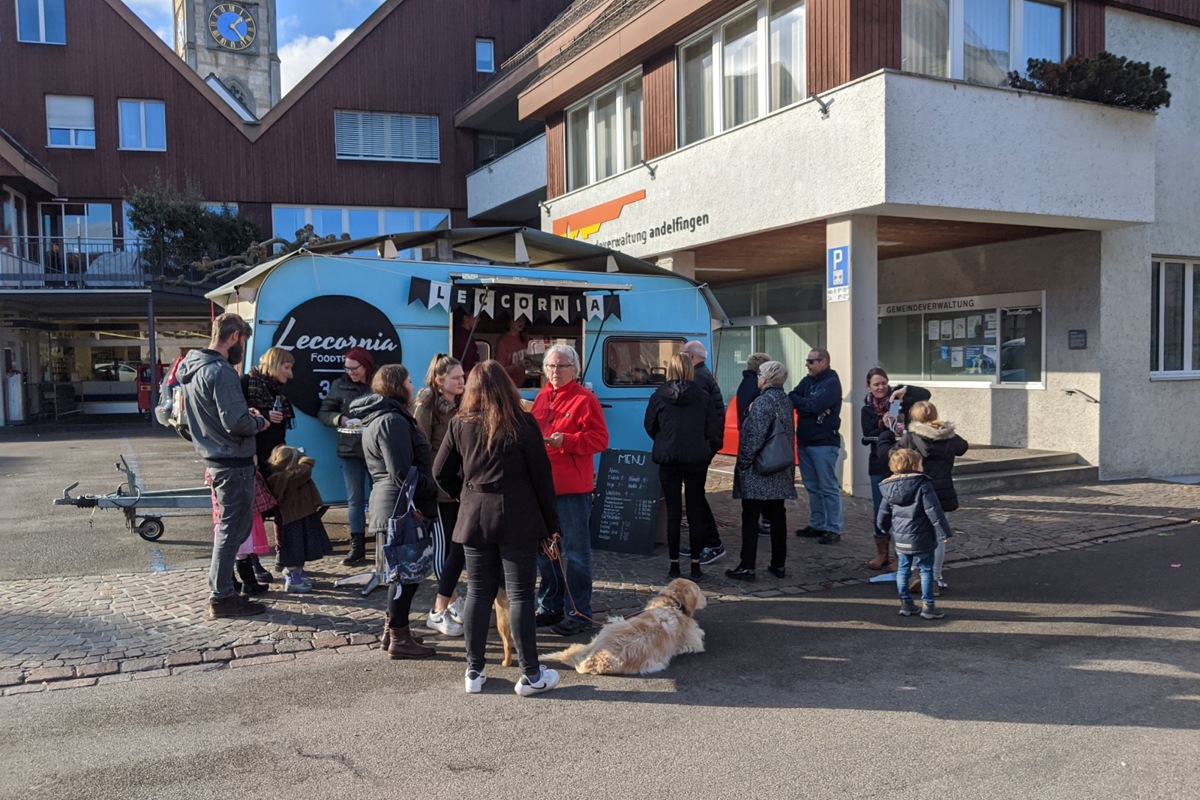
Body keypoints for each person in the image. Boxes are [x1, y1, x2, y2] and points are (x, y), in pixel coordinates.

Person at [434, 360, 562, 696]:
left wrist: (466, 494)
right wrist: (552, 526)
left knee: (478, 593)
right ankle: (530, 674)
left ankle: (474, 671)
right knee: (520, 596)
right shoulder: (523, 422)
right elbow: (542, 479)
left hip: (475, 515)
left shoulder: (459, 423)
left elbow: (439, 472)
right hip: (519, 516)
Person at [176, 312, 270, 619]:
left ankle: (223, 592)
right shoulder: (221, 371)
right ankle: (222, 596)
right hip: (232, 461)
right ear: (235, 337)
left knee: (231, 528)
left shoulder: (192, 368)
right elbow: (236, 422)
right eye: (244, 341)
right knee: (232, 529)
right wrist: (259, 421)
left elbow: (205, 418)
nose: (243, 348)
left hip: (216, 458)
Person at [350, 364, 438, 659]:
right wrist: (432, 489)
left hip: (394, 501)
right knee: (404, 576)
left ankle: (394, 632)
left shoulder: (385, 417)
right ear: (398, 386)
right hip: (400, 506)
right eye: (409, 381)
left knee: (403, 574)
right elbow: (401, 471)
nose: (412, 386)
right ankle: (399, 637)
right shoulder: (391, 420)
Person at [530, 344, 609, 637]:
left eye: (562, 366)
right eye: (551, 366)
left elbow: (600, 439)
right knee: (546, 551)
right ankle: (550, 606)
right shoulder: (541, 397)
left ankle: (578, 612)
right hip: (543, 488)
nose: (555, 371)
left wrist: (567, 441)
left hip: (572, 489)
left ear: (574, 370)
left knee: (575, 553)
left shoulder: (585, 399)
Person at [643, 353, 722, 582]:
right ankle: (696, 565)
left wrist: (665, 439)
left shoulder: (659, 396)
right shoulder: (703, 397)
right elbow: (712, 428)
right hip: (696, 458)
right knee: (695, 511)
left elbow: (650, 426)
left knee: (674, 512)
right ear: (689, 370)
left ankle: (674, 565)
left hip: (669, 458)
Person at [880, 400, 968, 593]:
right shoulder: (949, 436)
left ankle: (915, 573)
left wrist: (888, 433)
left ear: (914, 417)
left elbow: (892, 455)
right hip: (942, 491)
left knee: (915, 533)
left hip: (916, 491)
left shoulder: (911, 438)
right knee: (938, 537)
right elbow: (963, 447)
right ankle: (934, 577)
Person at [726, 361, 797, 581]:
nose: (758, 378)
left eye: (759, 375)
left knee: (750, 519)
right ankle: (779, 564)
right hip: (780, 466)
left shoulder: (763, 402)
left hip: (760, 469)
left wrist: (744, 463)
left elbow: (754, 438)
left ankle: (747, 566)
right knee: (777, 517)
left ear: (765, 379)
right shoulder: (785, 400)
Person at [413, 353, 467, 637]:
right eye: (456, 378)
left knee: (460, 550)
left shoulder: (465, 405)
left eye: (463, 376)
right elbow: (420, 450)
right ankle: (439, 610)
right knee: (447, 552)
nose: (462, 381)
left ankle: (453, 601)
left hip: (462, 490)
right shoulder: (427, 408)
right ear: (439, 380)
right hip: (439, 492)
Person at [861, 368, 930, 571]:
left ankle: (901, 555)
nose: (881, 387)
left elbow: (926, 395)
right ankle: (881, 552)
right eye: (876, 384)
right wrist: (884, 427)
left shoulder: (899, 399)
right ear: (869, 387)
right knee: (880, 509)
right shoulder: (867, 409)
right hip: (879, 462)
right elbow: (867, 435)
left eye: (884, 383)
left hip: (903, 463)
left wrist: (905, 389)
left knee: (902, 510)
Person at [241, 345, 297, 582]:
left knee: (282, 508)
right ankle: (253, 562)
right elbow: (237, 417)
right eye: (287, 367)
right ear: (274, 364)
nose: (290, 374)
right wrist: (264, 415)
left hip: (276, 458)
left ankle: (282, 556)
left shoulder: (278, 390)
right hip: (253, 458)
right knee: (254, 514)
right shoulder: (246, 383)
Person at [877, 447, 952, 620]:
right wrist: (944, 532)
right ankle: (929, 606)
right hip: (922, 536)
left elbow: (883, 513)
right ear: (914, 466)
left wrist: (883, 528)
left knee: (903, 570)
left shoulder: (888, 487)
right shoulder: (923, 484)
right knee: (926, 570)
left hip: (900, 537)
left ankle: (906, 604)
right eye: (920, 463)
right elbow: (934, 511)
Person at [318, 347, 375, 565]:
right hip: (350, 449)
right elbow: (324, 412)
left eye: (355, 368)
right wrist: (340, 419)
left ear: (366, 366)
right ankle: (357, 546)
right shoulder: (339, 385)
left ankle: (385, 540)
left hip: (376, 449)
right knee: (354, 500)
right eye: (347, 368)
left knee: (381, 497)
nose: (350, 372)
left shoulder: (379, 381)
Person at [789, 347, 844, 545]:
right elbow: (792, 396)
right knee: (812, 486)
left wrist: (805, 404)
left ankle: (833, 528)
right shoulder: (808, 381)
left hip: (823, 443)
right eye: (807, 361)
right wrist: (807, 403)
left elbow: (815, 406)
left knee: (828, 487)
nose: (807, 365)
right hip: (805, 441)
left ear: (823, 362)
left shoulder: (832, 383)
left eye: (811, 361)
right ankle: (817, 524)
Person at [678, 340, 725, 565]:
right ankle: (700, 542)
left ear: (690, 356)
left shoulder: (698, 378)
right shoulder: (704, 375)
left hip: (701, 445)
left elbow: (698, 416)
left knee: (695, 496)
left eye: (682, 354)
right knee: (694, 495)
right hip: (707, 443)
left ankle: (713, 543)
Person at [265, 445, 333, 593]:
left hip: (298, 517)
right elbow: (305, 471)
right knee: (293, 550)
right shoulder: (284, 478)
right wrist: (305, 460)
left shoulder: (285, 476)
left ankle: (299, 573)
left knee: (301, 548)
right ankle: (292, 578)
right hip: (291, 520)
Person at [736, 352, 772, 536]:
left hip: (746, 437)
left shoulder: (744, 383)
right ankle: (764, 520)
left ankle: (759, 520)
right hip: (757, 440)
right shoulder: (756, 387)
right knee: (760, 481)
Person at [496, 317, 529, 387]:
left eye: (522, 319)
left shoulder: (524, 339)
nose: (520, 322)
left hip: (522, 382)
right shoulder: (503, 341)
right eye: (517, 319)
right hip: (507, 384)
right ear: (509, 322)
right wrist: (516, 365)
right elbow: (500, 370)